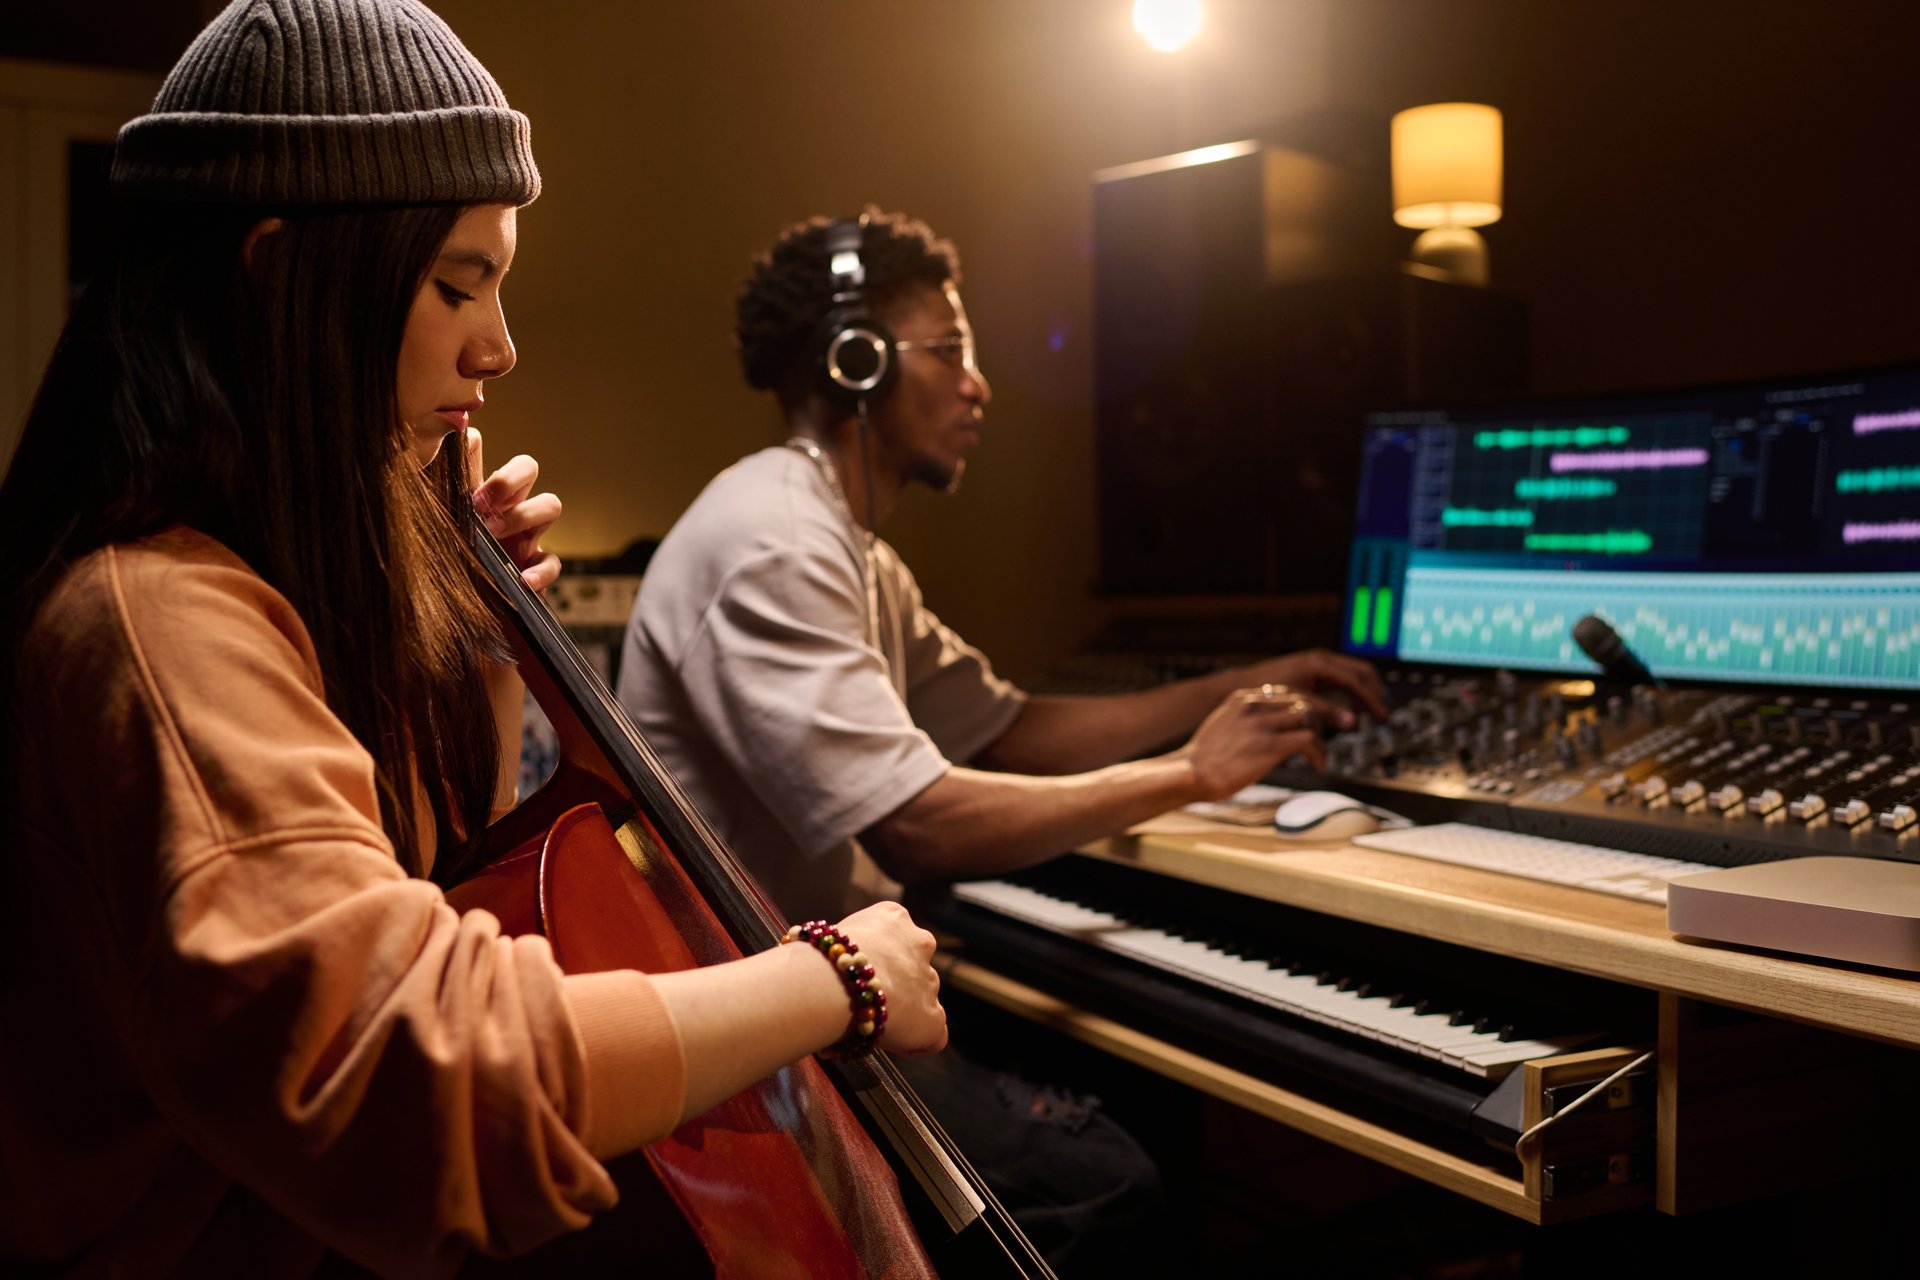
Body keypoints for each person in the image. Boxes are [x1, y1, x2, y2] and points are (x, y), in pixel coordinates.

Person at [0, 4, 946, 1275]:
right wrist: (834, 977)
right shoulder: (157, 620)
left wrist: (462, 636)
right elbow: (418, 1074)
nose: (498, 347)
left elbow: (459, 872)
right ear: (281, 272)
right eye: (458, 284)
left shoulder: (248, 584)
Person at [614, 207, 1387, 1270]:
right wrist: (1190, 772)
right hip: (778, 1035)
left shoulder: (848, 548)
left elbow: (1014, 726)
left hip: (830, 986)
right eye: (952, 351)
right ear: (858, 361)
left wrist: (1249, 683)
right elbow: (925, 823)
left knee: (1140, 1094)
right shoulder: (774, 541)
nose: (979, 385)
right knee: (1108, 1183)